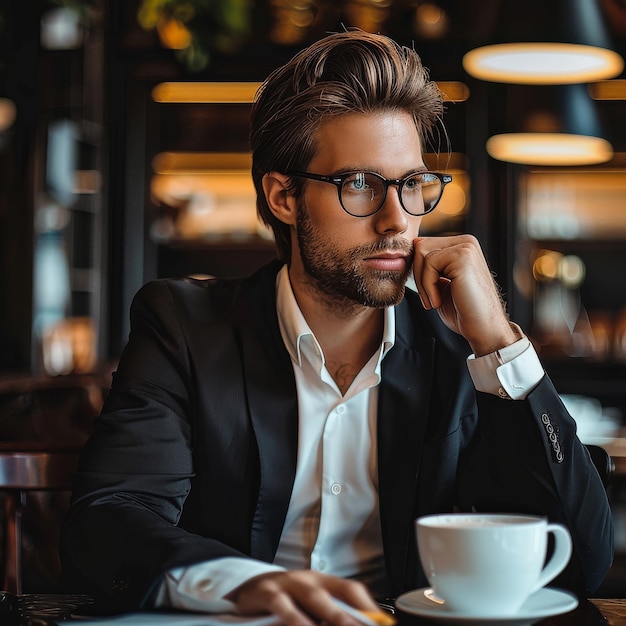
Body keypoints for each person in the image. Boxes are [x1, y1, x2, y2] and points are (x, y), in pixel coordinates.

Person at [60, 30, 613, 624]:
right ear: (283, 197)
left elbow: (580, 564)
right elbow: (110, 518)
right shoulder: (183, 328)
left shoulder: (465, 350)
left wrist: (501, 343)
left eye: (411, 184)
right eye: (359, 185)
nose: (396, 220)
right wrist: (241, 585)